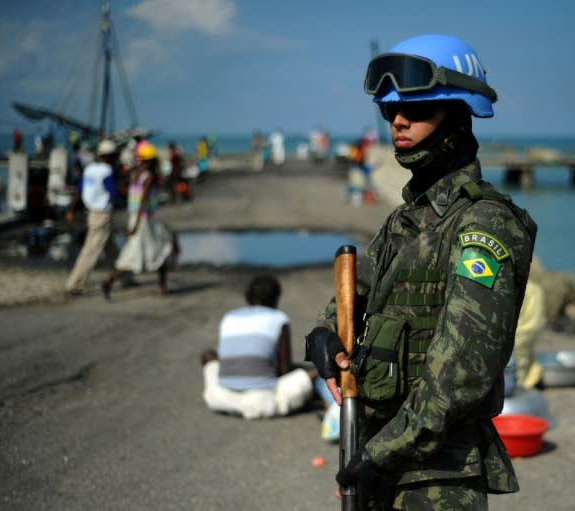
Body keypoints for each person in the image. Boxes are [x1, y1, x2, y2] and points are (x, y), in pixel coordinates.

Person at [304, 34, 537, 510]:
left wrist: (383, 454)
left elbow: (464, 370)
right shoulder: (408, 218)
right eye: (390, 111)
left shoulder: (482, 223)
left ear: (457, 114)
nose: (399, 122)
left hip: (438, 475)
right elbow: (359, 291)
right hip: (381, 452)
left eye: (417, 109)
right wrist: (325, 334)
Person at [200, 274, 332, 419]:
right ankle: (332, 404)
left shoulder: (229, 317)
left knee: (209, 355)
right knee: (319, 369)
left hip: (220, 398)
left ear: (248, 296)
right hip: (261, 402)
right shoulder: (279, 319)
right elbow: (284, 370)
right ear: (276, 298)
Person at [101, 143, 174, 298]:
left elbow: (125, 190)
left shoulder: (135, 174)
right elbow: (143, 201)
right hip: (144, 220)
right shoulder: (149, 177)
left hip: (136, 217)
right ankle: (109, 280)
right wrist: (135, 227)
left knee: (151, 252)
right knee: (159, 251)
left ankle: (162, 286)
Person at [64, 139, 123, 296]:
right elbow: (114, 193)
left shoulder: (90, 169)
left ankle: (126, 277)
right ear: (111, 156)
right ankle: (75, 284)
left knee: (111, 248)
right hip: (102, 214)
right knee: (90, 250)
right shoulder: (106, 172)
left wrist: (71, 209)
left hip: (91, 213)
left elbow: (79, 190)